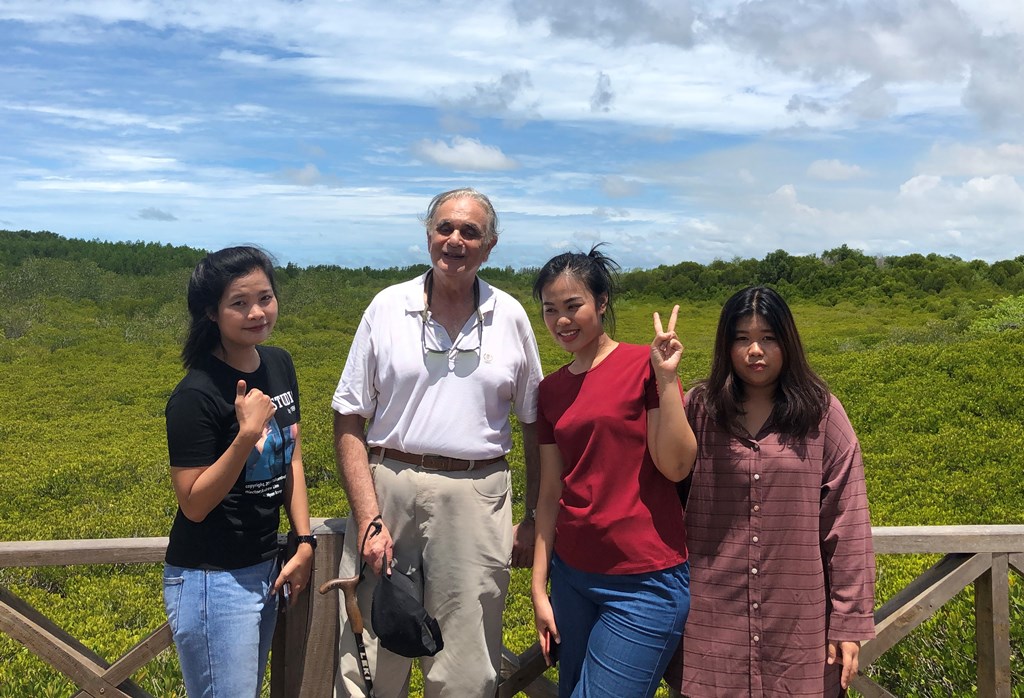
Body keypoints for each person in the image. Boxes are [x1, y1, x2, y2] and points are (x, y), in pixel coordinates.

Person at [331, 187, 544, 698]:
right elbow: (348, 418)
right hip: (391, 485)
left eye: (470, 231)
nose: (455, 240)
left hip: (478, 493)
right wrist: (367, 518)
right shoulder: (387, 306)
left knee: (467, 659)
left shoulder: (509, 314)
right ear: (428, 236)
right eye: (445, 228)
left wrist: (533, 516)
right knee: (370, 653)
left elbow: (536, 424)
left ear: (490, 246)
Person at [665, 286, 876, 698]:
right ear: (725, 345)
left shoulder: (822, 414)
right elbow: (662, 488)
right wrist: (664, 378)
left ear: (788, 342)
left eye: (768, 338)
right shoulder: (698, 408)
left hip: (797, 629)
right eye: (742, 338)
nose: (755, 350)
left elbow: (848, 522)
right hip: (711, 626)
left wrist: (849, 622)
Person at [531, 246, 697, 698]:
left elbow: (677, 464)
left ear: (601, 302)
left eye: (573, 306)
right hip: (572, 575)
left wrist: (666, 380)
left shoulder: (645, 364)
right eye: (550, 310)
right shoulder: (550, 390)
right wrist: (539, 589)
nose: (562, 320)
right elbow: (550, 494)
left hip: (645, 579)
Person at [162, 246, 315, 697]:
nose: (256, 312)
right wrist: (246, 435)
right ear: (211, 312)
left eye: (265, 298)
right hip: (213, 578)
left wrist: (303, 540)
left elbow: (293, 458)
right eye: (239, 303)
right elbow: (193, 504)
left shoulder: (279, 364)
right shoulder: (196, 394)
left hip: (267, 565)